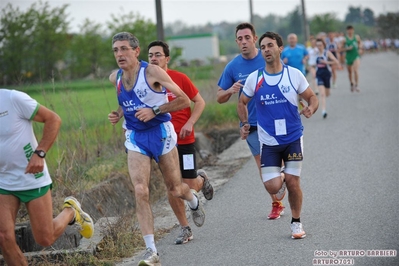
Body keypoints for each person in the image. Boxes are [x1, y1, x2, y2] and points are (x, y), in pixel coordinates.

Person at [107, 32, 205, 265]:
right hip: (136, 138)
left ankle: (193, 201)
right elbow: (125, 100)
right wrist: (118, 113)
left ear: (135, 51)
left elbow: (183, 101)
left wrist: (155, 111)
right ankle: (151, 251)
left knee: (175, 189)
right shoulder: (116, 77)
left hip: (161, 134)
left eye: (123, 49)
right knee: (141, 190)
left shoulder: (151, 72)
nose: (119, 54)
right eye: (115, 50)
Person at [237, 31, 319, 239]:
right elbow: (242, 102)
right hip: (268, 141)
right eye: (263, 47)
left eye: (270, 45)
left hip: (292, 137)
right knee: (273, 186)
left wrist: (311, 108)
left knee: (293, 182)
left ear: (280, 48)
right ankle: (281, 175)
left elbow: (312, 97)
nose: (266, 50)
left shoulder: (294, 75)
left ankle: (296, 222)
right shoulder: (255, 78)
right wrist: (245, 123)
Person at [0, 89, 94, 265]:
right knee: (4, 237)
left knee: (45, 238)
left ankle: (71, 212)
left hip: (32, 176)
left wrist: (40, 153)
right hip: (3, 181)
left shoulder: (13, 99)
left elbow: (53, 119)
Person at [216, 22, 287, 220]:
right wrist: (231, 90)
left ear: (255, 39)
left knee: (280, 164)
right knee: (264, 166)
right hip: (252, 124)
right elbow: (219, 97)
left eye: (248, 37)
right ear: (236, 42)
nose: (244, 42)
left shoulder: (267, 57)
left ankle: (283, 178)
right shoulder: (233, 67)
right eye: (240, 39)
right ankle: (276, 203)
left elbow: (285, 81)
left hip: (275, 121)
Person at [147, 40, 214, 245]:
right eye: (150, 55)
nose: (154, 58)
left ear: (167, 58)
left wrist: (190, 123)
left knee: (190, 185)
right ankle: (185, 228)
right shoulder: (146, 82)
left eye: (158, 54)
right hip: (163, 141)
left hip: (184, 138)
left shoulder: (179, 78)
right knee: (172, 186)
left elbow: (199, 102)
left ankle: (201, 179)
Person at [315, 38, 341, 118]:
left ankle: (328, 91)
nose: (319, 47)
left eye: (320, 45)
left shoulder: (327, 53)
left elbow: (336, 62)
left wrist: (326, 62)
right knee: (322, 94)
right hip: (319, 74)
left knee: (327, 94)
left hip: (327, 74)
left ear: (323, 45)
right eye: (317, 45)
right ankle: (323, 111)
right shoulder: (315, 53)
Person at [341, 25, 363, 92]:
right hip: (348, 56)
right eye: (348, 30)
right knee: (350, 72)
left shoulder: (356, 37)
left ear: (353, 30)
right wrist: (347, 48)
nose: (350, 31)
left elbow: (360, 43)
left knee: (355, 70)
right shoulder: (344, 39)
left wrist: (360, 48)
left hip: (356, 56)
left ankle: (357, 85)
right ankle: (351, 84)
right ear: (347, 31)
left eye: (351, 30)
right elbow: (341, 49)